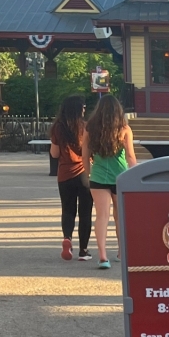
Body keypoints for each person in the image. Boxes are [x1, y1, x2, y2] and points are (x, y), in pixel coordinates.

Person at [82, 95, 136, 270]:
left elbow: (84, 156)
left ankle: (103, 256)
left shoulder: (90, 129)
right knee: (120, 216)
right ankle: (121, 252)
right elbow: (130, 156)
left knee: (101, 216)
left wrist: (88, 174)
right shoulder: (124, 129)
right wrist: (135, 174)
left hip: (98, 177)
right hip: (120, 176)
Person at [50, 95, 92, 261]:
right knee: (85, 212)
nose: (84, 109)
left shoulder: (57, 128)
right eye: (83, 106)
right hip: (84, 173)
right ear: (77, 109)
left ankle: (67, 238)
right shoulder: (86, 128)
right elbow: (90, 152)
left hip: (64, 175)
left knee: (68, 210)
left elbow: (54, 153)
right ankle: (83, 250)